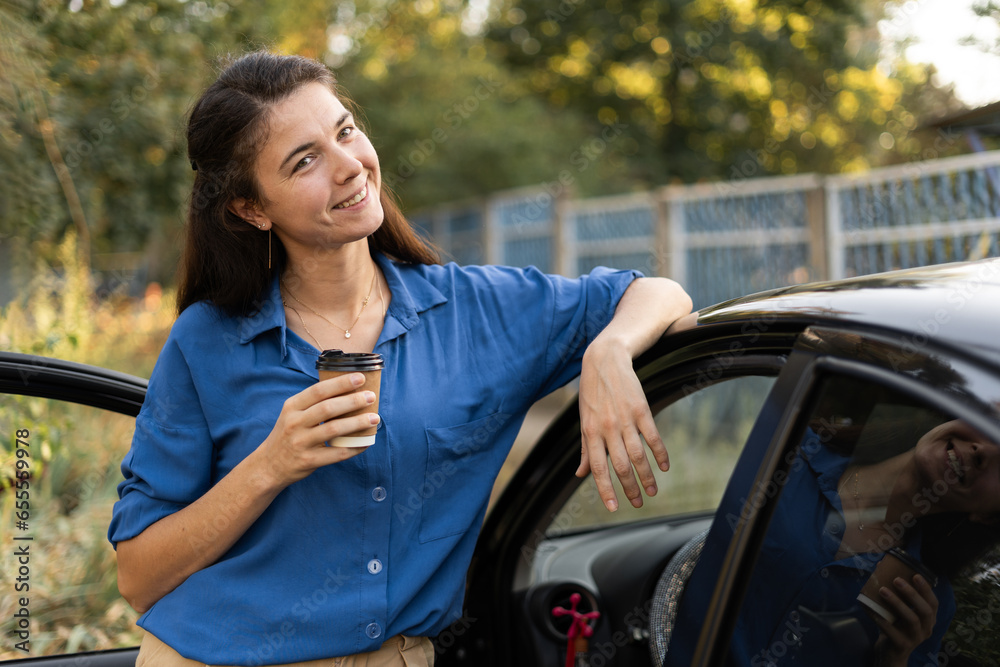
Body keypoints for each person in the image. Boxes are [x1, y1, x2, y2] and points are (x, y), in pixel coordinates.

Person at [107, 51, 692, 667]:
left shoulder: (477, 311)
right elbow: (139, 578)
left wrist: (609, 350)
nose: (348, 167)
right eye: (305, 160)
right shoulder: (207, 342)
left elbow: (657, 293)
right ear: (251, 209)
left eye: (345, 132)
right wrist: (270, 466)